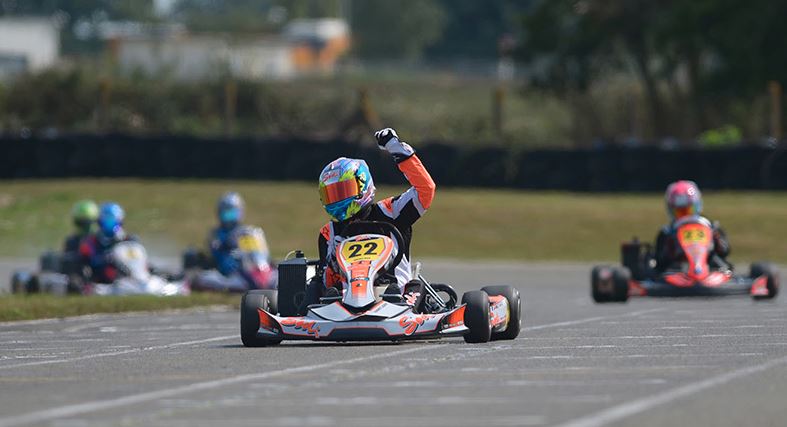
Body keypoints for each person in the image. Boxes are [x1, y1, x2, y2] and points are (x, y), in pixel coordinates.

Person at [302, 127, 436, 312]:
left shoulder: (390, 212)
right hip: (344, 301)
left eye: (342, 191)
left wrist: (397, 149)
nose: (337, 199)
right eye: (331, 194)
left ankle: (404, 309)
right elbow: (327, 280)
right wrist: (334, 261)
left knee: (413, 286)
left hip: (395, 297)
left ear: (362, 185)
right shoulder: (329, 233)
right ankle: (325, 312)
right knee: (318, 287)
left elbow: (425, 190)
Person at [654, 180, 731, 272]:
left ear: (697, 206)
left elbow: (725, 251)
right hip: (676, 270)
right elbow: (659, 261)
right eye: (681, 212)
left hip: (710, 267)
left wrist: (717, 242)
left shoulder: (712, 227)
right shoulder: (667, 232)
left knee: (721, 264)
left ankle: (711, 271)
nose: (686, 216)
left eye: (689, 210)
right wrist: (669, 250)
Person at [79, 202, 136, 283]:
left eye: (112, 220)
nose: (110, 224)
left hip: (129, 273)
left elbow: (137, 258)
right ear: (100, 222)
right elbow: (86, 262)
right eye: (107, 220)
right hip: (103, 278)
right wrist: (106, 258)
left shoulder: (128, 239)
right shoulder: (93, 241)